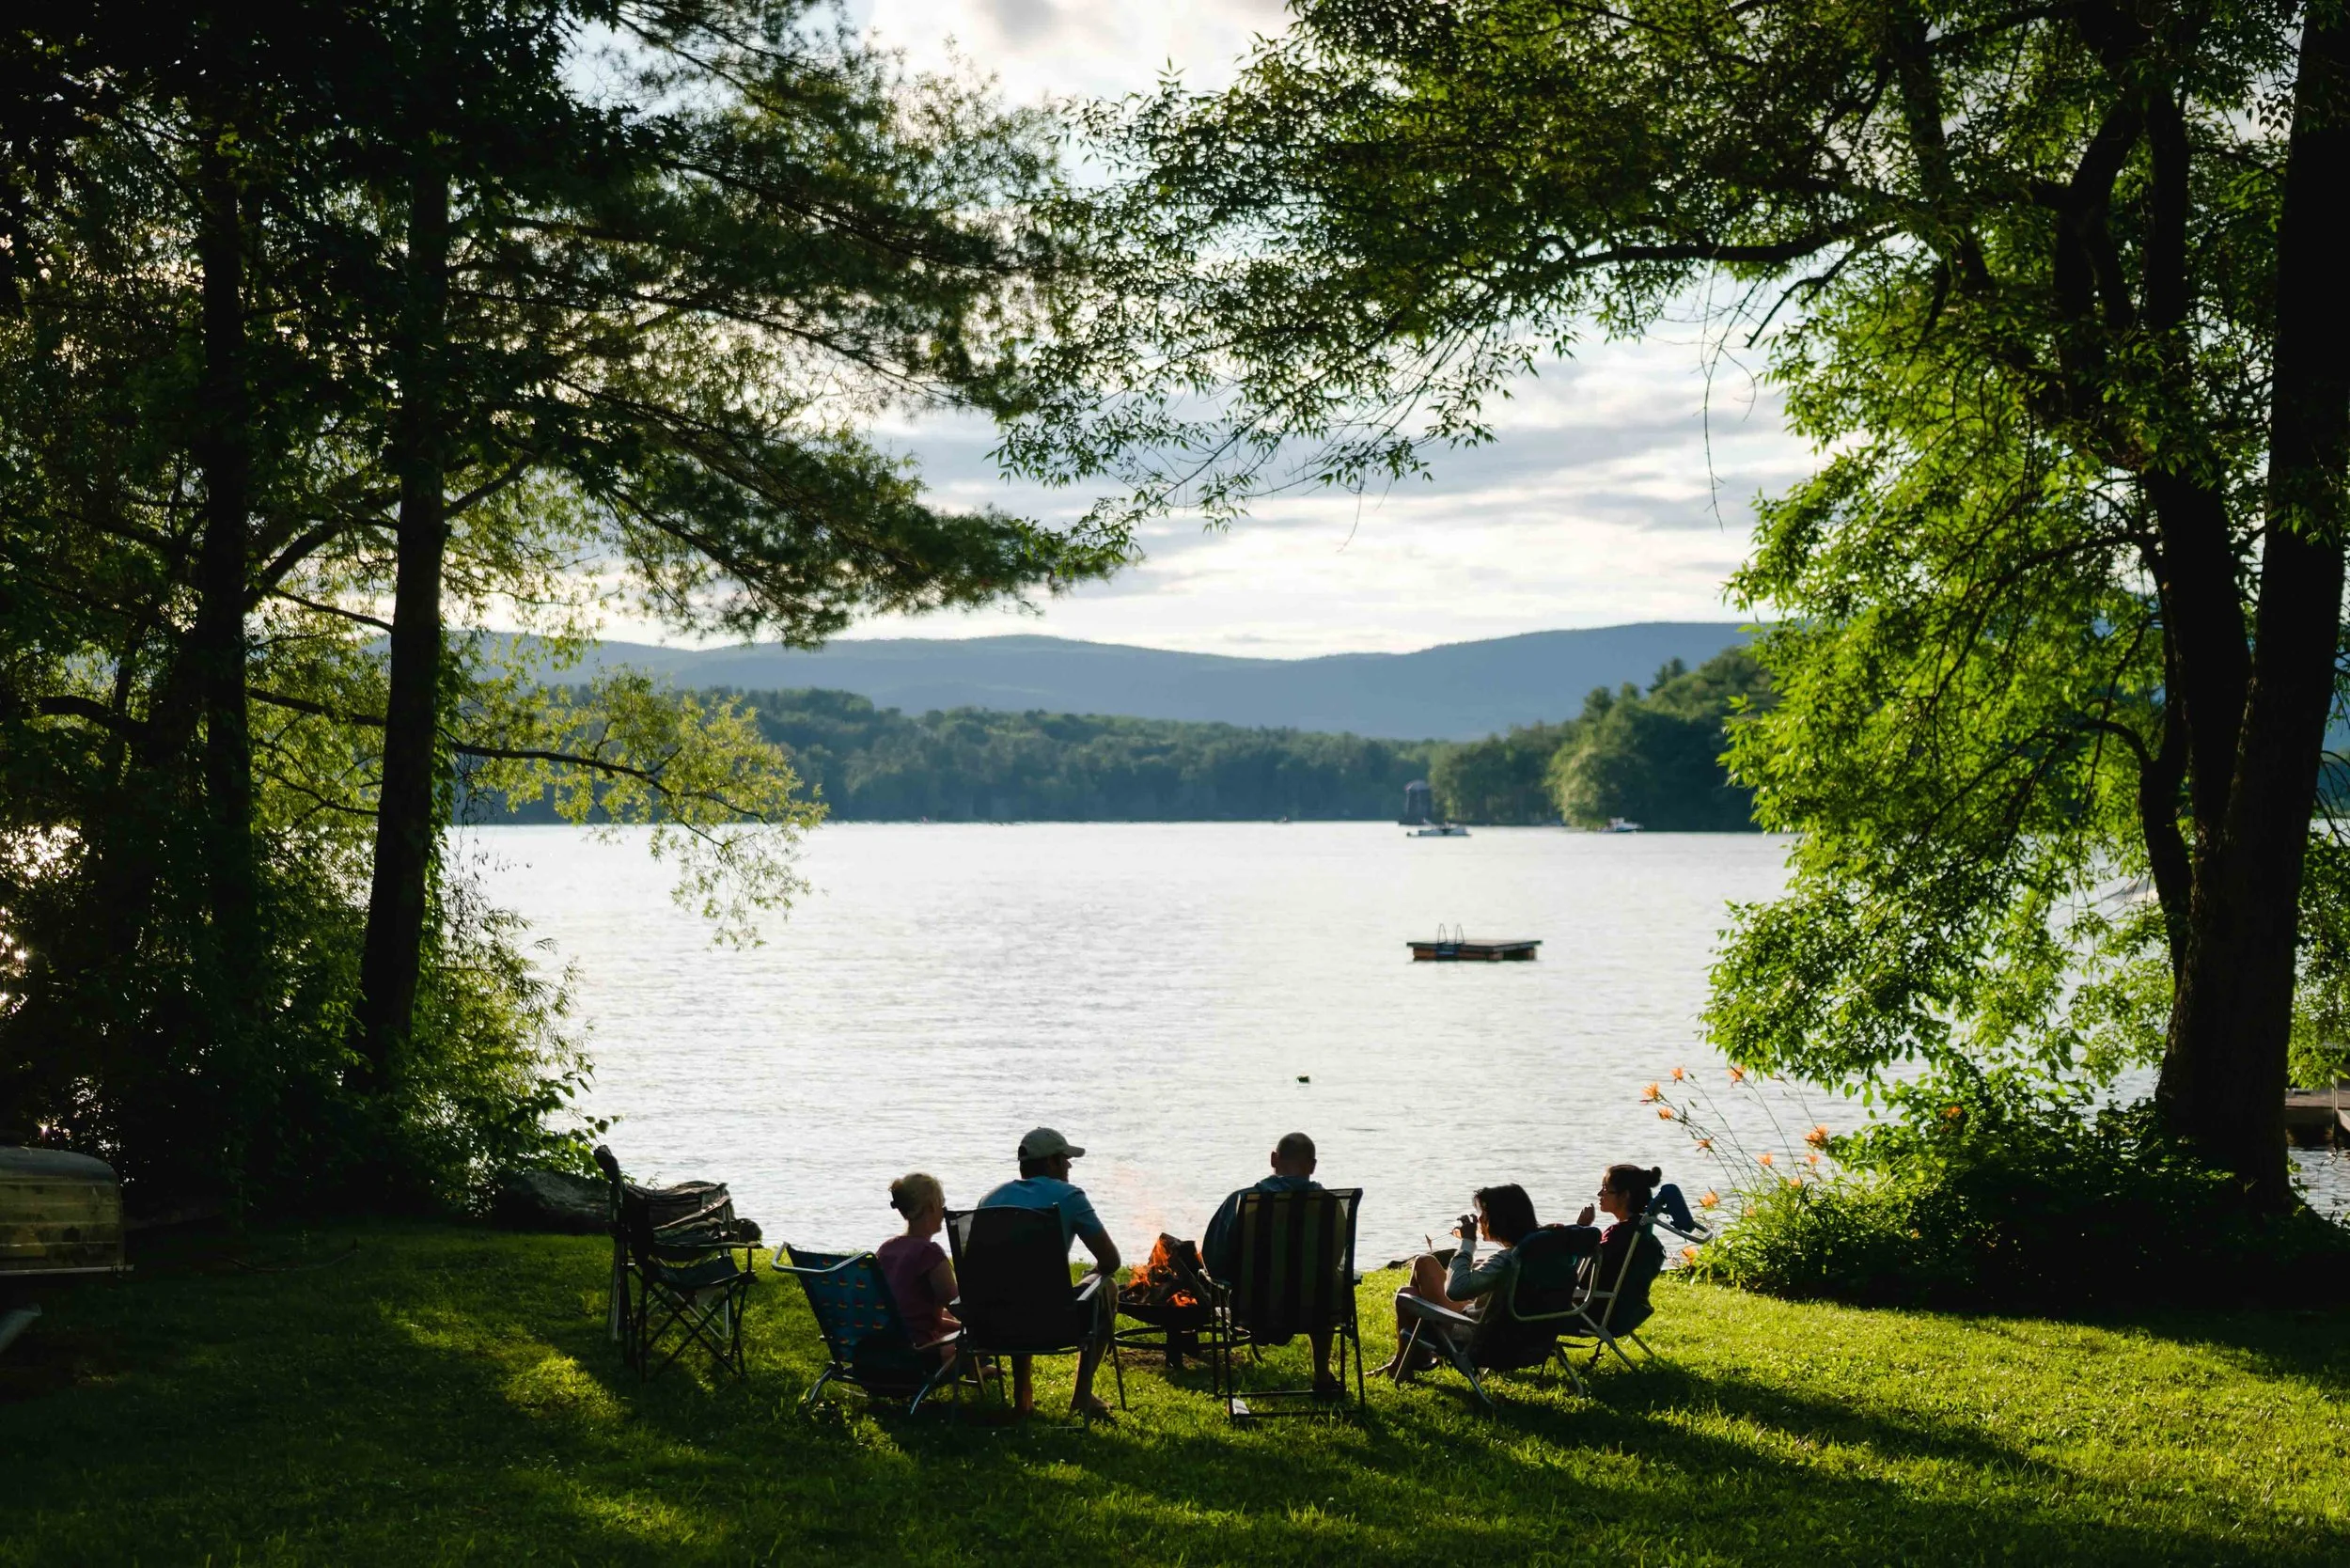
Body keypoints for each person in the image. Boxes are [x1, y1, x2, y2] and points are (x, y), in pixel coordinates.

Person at [977, 1127, 1122, 1419]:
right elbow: (1111, 1260)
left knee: (1017, 1290)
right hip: (1053, 1322)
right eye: (1065, 1159)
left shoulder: (991, 1199)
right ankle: (1082, 1396)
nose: (1069, 1166)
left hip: (993, 1322)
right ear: (1052, 1162)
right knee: (1108, 1288)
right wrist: (1093, 1274)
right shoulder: (1068, 1197)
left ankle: (1023, 1397)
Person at [1200, 1131, 1340, 1396]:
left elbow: (1214, 1261)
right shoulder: (1330, 1206)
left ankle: (1230, 1393)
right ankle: (1322, 1376)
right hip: (1315, 1309)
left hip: (1254, 1310)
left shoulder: (1243, 1201)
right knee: (1322, 1288)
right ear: (1312, 1166)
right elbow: (1335, 1259)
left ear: (1274, 1159)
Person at [1371, 1182, 1542, 1378]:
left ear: (1502, 1219)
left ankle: (1410, 1360)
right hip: (1525, 1332)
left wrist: (1468, 1243)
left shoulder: (1507, 1260)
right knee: (1407, 1294)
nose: (1479, 1219)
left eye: (1485, 1214)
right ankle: (1406, 1361)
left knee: (1424, 1263)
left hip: (1479, 1334)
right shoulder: (1541, 1253)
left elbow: (1456, 1290)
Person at [876, 1172, 962, 1362]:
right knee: (971, 1339)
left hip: (882, 1351)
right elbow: (958, 1306)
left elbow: (923, 1316)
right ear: (932, 1207)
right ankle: (977, 1370)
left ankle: (978, 1371)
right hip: (918, 1356)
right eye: (942, 1204)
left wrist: (959, 1325)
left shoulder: (886, 1249)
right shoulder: (929, 1254)